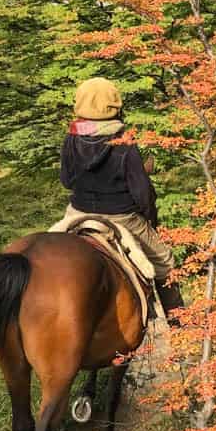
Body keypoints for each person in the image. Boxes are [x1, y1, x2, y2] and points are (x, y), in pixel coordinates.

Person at [59, 77, 185, 314]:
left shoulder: (72, 137)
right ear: (114, 103)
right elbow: (142, 192)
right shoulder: (124, 140)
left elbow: (66, 181)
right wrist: (149, 217)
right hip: (122, 217)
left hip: (77, 212)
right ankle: (181, 327)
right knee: (165, 262)